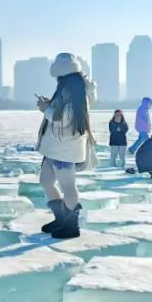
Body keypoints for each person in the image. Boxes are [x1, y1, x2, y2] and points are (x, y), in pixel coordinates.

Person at [35, 53, 95, 240]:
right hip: (54, 147)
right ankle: (61, 217)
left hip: (65, 149)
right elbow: (62, 113)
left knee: (68, 185)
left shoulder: (76, 93)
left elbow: (65, 120)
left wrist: (46, 109)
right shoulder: (68, 89)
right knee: (46, 180)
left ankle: (71, 224)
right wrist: (50, 105)